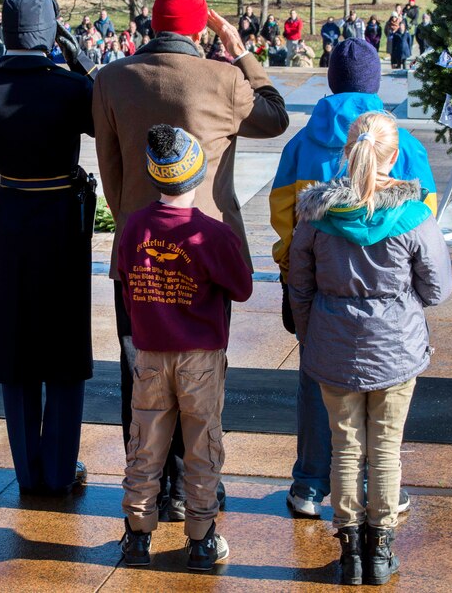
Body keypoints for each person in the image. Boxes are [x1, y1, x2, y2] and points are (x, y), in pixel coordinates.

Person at [93, 0, 288, 522]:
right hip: (205, 245)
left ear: (154, 25)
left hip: (138, 246)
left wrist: (134, 217)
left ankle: (151, 488)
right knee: (200, 367)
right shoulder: (223, 79)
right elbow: (275, 118)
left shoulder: (112, 78)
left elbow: (110, 167)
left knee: (142, 369)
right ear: (201, 28)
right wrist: (241, 51)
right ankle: (195, 486)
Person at [269, 38, 438, 524]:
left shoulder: (302, 143)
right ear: (376, 83)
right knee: (383, 396)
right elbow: (424, 218)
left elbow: (284, 215)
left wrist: (293, 266)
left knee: (317, 384)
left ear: (330, 80)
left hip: (319, 290)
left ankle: (308, 483)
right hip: (387, 295)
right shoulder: (400, 143)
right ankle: (376, 486)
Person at [289, 111, 452, 585]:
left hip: (332, 344)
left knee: (345, 448)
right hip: (395, 348)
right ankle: (380, 551)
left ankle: (350, 552)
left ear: (347, 152)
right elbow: (437, 289)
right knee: (385, 450)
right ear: (395, 155)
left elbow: (299, 287)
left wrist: (311, 333)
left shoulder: (316, 215)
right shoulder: (414, 215)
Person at [0, 0, 95, 498]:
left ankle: (29, 474)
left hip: (6, 220)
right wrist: (78, 60)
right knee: (63, 345)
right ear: (51, 29)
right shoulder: (72, 89)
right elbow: (106, 122)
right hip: (61, 219)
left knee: (17, 351)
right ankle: (59, 469)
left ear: (4, 28)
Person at [117, 124, 252, 571]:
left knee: (145, 445)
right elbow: (242, 287)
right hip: (201, 358)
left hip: (150, 355)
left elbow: (125, 284)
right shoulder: (212, 234)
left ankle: (137, 536)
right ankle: (201, 538)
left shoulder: (134, 226)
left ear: (155, 176)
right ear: (197, 174)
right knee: (202, 446)